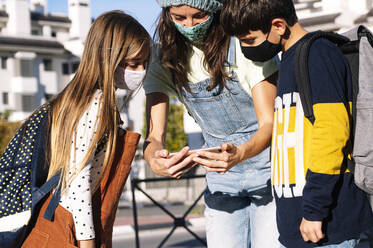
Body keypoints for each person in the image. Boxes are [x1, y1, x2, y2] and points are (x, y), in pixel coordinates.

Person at [220, 0, 373, 247]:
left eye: (249, 40)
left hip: (329, 225)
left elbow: (332, 133)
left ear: (278, 25)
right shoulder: (289, 60)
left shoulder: (318, 53)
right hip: (301, 225)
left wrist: (314, 210)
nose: (245, 48)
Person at [143, 0, 280, 247]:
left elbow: (271, 123)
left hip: (269, 176)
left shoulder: (243, 43)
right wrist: (154, 158)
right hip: (221, 183)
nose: (189, 25)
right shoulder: (161, 58)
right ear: (167, 14)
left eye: (199, 16)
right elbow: (154, 136)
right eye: (179, 17)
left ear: (216, 10)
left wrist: (240, 154)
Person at [43, 11, 150, 248]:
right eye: (133, 64)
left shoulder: (74, 98)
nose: (141, 71)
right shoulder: (96, 104)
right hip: (73, 225)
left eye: (144, 63)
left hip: (62, 217)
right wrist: (89, 245)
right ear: (107, 58)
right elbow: (78, 184)